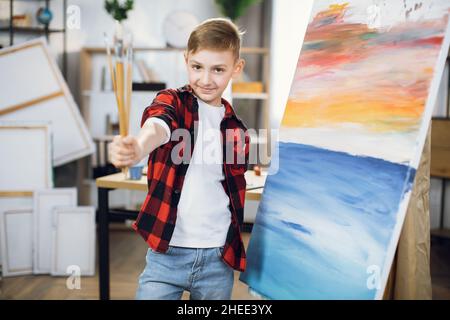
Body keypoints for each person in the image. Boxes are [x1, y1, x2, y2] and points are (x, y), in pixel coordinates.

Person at [109, 17, 250, 300]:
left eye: (218, 70)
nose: (206, 79)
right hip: (166, 253)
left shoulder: (237, 128)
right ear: (186, 61)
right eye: (197, 67)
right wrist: (138, 146)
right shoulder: (173, 101)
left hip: (218, 256)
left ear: (236, 68)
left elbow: (233, 188)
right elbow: (158, 124)